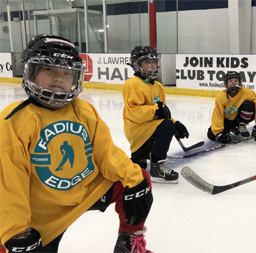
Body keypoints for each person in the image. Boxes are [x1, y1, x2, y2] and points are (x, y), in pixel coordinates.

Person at [0, 35, 153, 253]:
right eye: (48, 70)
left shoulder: (83, 110)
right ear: (30, 72)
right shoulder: (14, 121)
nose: (58, 78)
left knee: (139, 179)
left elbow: (107, 154)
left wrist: (136, 181)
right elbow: (9, 184)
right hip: (42, 213)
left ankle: (129, 243)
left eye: (66, 72)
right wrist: (17, 233)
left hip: (84, 192)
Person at [123, 46, 189, 184]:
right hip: (138, 129)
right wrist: (156, 112)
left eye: (154, 62)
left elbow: (162, 112)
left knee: (139, 166)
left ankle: (140, 158)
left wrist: (176, 123)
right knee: (166, 126)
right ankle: (157, 167)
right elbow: (134, 112)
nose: (152, 66)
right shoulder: (132, 83)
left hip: (149, 127)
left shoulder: (157, 86)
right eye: (147, 62)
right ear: (136, 65)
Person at [207, 71, 256, 143]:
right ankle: (233, 128)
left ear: (240, 82)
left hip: (238, 119)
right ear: (226, 83)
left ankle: (241, 126)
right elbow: (218, 114)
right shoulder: (221, 97)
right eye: (230, 81)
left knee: (249, 105)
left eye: (236, 81)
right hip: (227, 120)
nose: (233, 83)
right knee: (211, 135)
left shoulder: (248, 93)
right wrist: (218, 133)